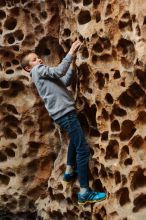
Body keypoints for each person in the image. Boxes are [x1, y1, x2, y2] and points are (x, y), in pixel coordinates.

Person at [20, 39, 106, 205]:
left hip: (62, 114)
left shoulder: (40, 75)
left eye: (38, 57)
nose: (39, 60)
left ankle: (68, 171)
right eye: (34, 59)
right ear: (28, 68)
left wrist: (72, 65)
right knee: (83, 150)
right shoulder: (38, 70)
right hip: (65, 114)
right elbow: (59, 71)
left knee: (75, 139)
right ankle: (84, 192)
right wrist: (71, 52)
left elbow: (64, 81)